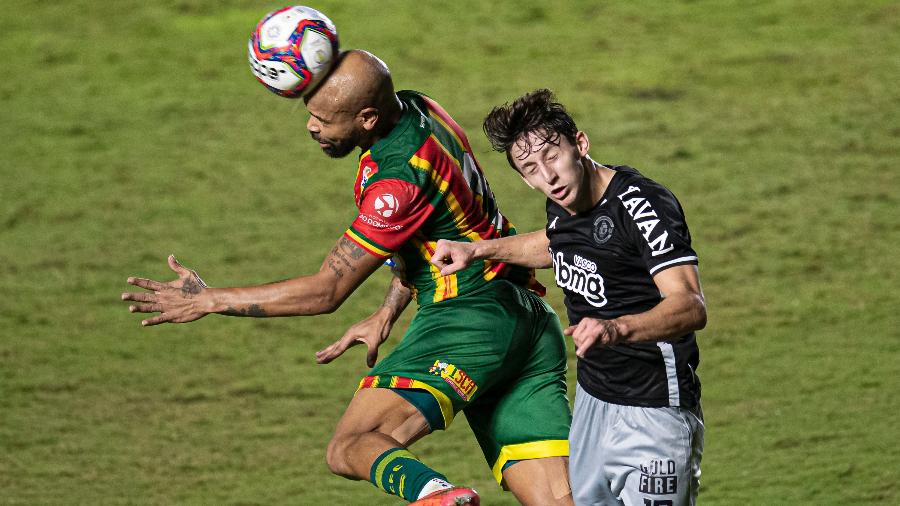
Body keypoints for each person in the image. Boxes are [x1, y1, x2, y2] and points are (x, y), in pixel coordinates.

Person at [121, 51, 574, 506]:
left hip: (469, 319)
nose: (312, 127)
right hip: (527, 316)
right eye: (310, 113)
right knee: (558, 500)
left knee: (351, 446)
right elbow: (434, 228)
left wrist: (208, 300)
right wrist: (387, 310)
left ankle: (438, 497)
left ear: (367, 118)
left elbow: (327, 290)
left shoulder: (396, 181)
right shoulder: (420, 108)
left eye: (325, 118)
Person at [431, 89, 707, 506]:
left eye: (553, 156)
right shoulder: (560, 204)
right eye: (531, 169)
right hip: (594, 403)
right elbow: (556, 244)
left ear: (580, 144)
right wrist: (478, 250)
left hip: (655, 410)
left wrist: (617, 328)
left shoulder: (642, 205)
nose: (549, 176)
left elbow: (690, 305)